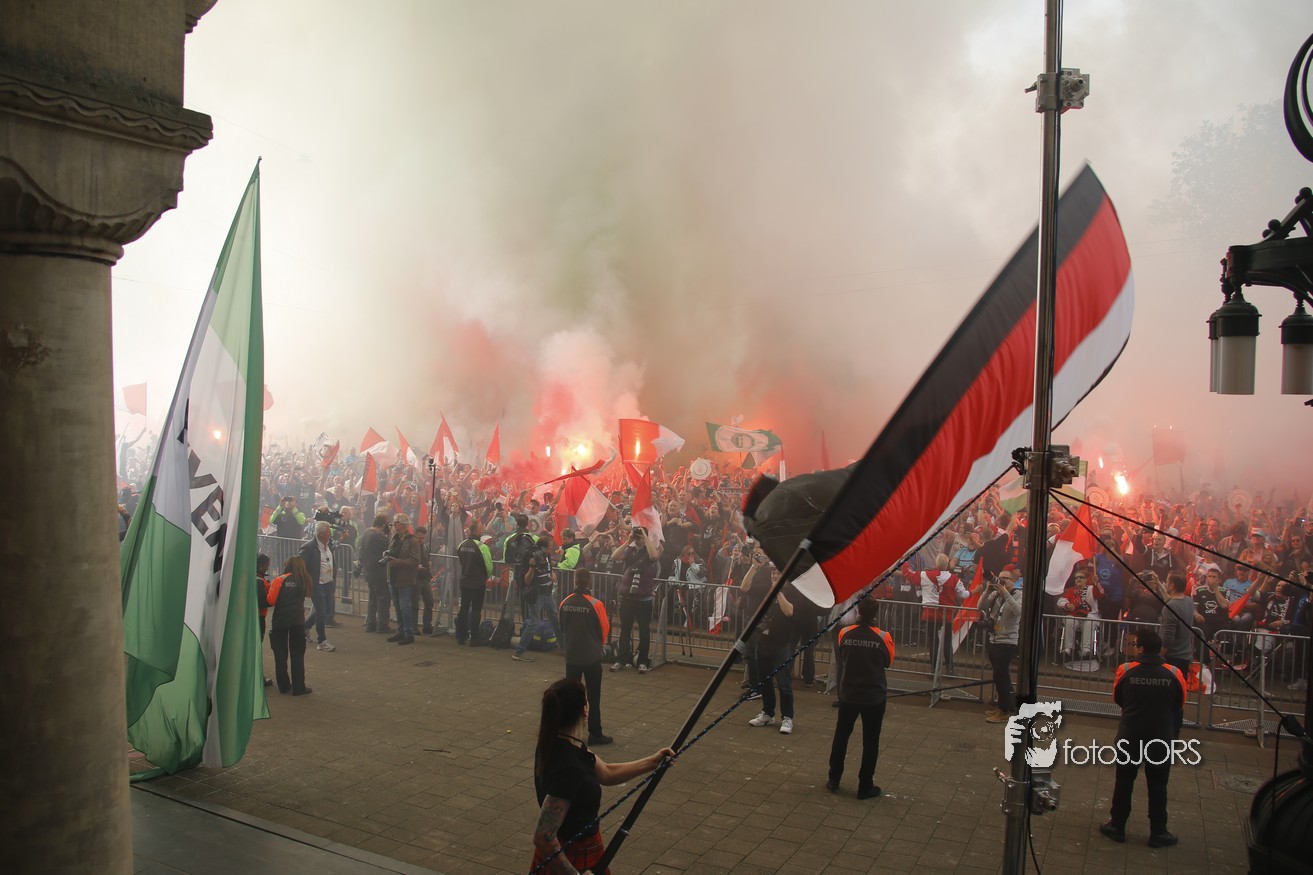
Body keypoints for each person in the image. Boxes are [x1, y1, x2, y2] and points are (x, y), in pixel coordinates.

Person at [529, 679, 674, 874]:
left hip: (575, 852)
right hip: (569, 855)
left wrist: (652, 762)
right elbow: (543, 837)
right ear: (585, 710)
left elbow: (607, 772)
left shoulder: (558, 744)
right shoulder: (570, 768)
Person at [1100, 628, 1186, 848]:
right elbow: (1179, 704)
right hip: (1161, 737)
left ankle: (1117, 826)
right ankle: (1158, 832)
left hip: (1131, 734)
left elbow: (1118, 697)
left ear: (1140, 648)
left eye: (1135, 644)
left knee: (1124, 782)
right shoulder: (1174, 673)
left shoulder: (1126, 670)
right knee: (1158, 786)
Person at [826, 596, 895, 799]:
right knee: (871, 741)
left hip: (849, 694)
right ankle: (865, 786)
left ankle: (834, 779)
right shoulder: (884, 637)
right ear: (876, 613)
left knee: (841, 736)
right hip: (873, 696)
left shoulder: (845, 633)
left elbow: (843, 656)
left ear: (857, 611)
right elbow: (888, 661)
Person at [559, 569, 612, 746]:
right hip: (591, 656)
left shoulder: (565, 602)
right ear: (589, 582)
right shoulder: (596, 604)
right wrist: (597, 645)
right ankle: (595, 733)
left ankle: (568, 732)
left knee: (570, 695)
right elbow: (604, 629)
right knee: (593, 696)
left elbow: (562, 626)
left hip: (571, 656)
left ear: (574, 581)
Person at [747, 570, 798, 735]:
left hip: (782, 644)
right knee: (764, 680)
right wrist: (753, 567)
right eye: (773, 573)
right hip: (764, 642)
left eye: (778, 573)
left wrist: (778, 592)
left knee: (784, 683)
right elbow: (745, 587)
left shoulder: (793, 591)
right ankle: (768, 713)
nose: (774, 576)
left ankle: (787, 717)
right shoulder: (766, 588)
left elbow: (789, 612)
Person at [611, 524, 661, 673]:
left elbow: (654, 556)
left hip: (644, 598)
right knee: (625, 630)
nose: (637, 538)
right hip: (627, 597)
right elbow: (615, 556)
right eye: (636, 535)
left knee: (644, 631)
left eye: (639, 536)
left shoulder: (649, 550)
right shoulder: (630, 550)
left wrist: (645, 537)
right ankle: (621, 660)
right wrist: (628, 541)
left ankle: (642, 662)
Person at [266, 556, 313, 695]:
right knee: (298, 654)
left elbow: (271, 600)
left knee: (280, 654)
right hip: (297, 621)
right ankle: (299, 687)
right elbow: (308, 595)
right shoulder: (305, 579)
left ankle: (284, 686)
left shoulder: (280, 579)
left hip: (280, 620)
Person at [981, 568, 1021, 723]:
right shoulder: (995, 594)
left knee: (1001, 676)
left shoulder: (1018, 594)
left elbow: (1018, 611)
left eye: (1006, 578)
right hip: (993, 639)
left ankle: (1004, 711)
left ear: (1013, 581)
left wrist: (1006, 593)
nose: (1002, 580)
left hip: (1007, 642)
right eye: (1000, 577)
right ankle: (1006, 706)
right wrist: (987, 590)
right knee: (1000, 676)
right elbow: (980, 606)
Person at [514, 534, 561, 663]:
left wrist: (552, 574)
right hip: (537, 595)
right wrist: (532, 567)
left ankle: (563, 646)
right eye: (549, 547)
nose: (551, 550)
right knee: (534, 622)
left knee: (555, 619)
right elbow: (527, 580)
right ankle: (519, 651)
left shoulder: (546, 555)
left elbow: (549, 568)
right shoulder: (531, 556)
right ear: (542, 547)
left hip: (547, 593)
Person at [455, 519, 493, 646]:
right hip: (478, 582)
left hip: (464, 581)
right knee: (476, 610)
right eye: (481, 528)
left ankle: (460, 637)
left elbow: (461, 561)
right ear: (477, 530)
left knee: (463, 609)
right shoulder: (482, 547)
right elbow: (489, 567)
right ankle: (474, 638)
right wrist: (485, 576)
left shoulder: (462, 544)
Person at [301, 521, 338, 652]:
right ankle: (321, 641)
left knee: (325, 610)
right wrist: (307, 583)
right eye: (328, 532)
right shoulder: (308, 548)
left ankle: (305, 626)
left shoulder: (328, 545)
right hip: (317, 585)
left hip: (328, 583)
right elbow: (302, 567)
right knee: (321, 612)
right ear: (321, 534)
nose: (330, 534)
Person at [386, 513, 421, 645]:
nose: (394, 525)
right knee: (397, 606)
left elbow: (415, 560)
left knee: (405, 606)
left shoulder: (412, 540)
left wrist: (398, 562)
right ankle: (401, 630)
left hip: (405, 578)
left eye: (396, 522)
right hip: (393, 576)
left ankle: (409, 633)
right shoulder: (394, 538)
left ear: (403, 525)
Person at [1158, 570, 1197, 676]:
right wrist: (1159, 585)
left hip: (1171, 658)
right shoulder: (1189, 601)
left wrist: (1157, 658)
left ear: (1172, 585)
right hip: (1185, 656)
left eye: (1167, 581)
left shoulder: (1170, 607)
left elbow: (1167, 639)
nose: (1165, 583)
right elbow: (1172, 601)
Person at [359, 515, 392, 633]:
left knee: (372, 598)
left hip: (368, 570)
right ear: (383, 524)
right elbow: (391, 546)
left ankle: (370, 624)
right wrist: (390, 533)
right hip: (379, 571)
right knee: (383, 598)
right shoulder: (378, 536)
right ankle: (383, 625)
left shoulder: (366, 533)